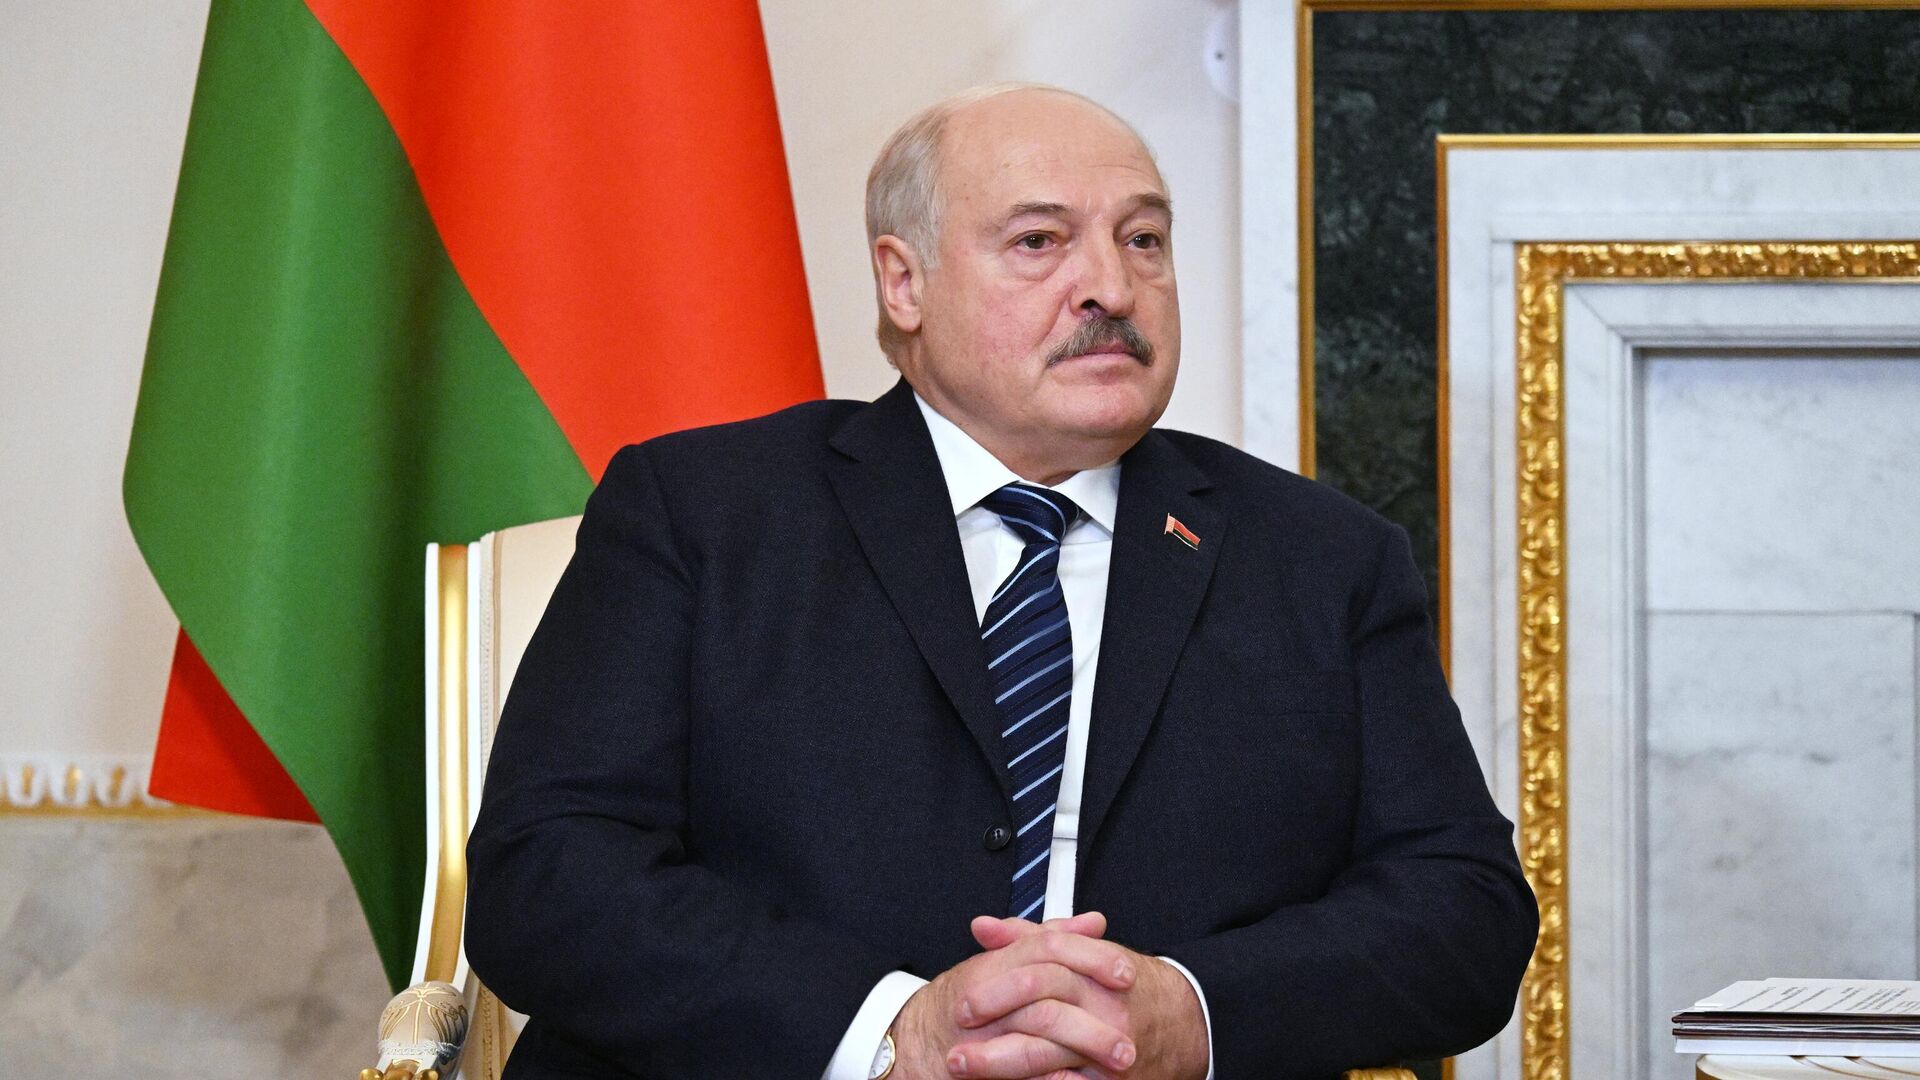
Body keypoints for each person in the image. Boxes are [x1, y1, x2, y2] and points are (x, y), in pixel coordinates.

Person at [466, 83, 1538, 1080]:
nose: (1111, 288)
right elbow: (545, 872)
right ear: (904, 282)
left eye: (1143, 240)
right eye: (1039, 242)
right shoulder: (704, 513)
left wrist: (1187, 1013)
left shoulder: (1323, 558)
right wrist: (891, 1030)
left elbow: (1465, 908)